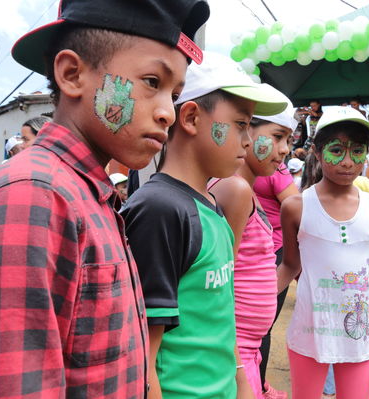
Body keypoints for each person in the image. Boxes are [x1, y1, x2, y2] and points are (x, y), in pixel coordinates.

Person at [0, 1, 211, 397]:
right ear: (72, 74)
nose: (167, 114)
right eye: (153, 82)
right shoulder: (32, 199)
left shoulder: (88, 195)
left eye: (173, 94)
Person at [122, 51, 287, 399]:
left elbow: (220, 319)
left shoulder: (210, 204)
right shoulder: (160, 210)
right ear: (193, 117)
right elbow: (142, 360)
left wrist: (241, 384)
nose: (246, 140)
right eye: (240, 124)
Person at [279, 107, 369, 399]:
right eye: (336, 150)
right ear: (316, 152)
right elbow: (290, 265)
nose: (347, 162)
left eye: (357, 151)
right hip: (308, 334)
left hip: (359, 340)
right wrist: (251, 309)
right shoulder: (296, 207)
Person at [209, 94, 296, 398]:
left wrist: (292, 263)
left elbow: (251, 276)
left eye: (289, 140)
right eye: (277, 136)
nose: (285, 149)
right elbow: (219, 288)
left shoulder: (248, 192)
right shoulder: (235, 190)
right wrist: (239, 373)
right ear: (247, 133)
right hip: (235, 355)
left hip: (249, 352)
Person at [254, 160, 299, 399]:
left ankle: (259, 385)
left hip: (273, 252)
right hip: (244, 252)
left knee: (262, 326)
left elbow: (297, 207)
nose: (281, 147)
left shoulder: (275, 168)